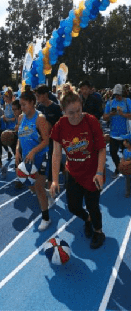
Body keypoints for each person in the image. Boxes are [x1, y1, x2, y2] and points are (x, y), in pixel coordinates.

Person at [50, 88, 107, 249]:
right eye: (71, 113)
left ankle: (98, 231)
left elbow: (102, 149)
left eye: (78, 111)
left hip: (92, 172)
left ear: (82, 106)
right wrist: (55, 180)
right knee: (73, 207)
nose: (75, 116)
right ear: (63, 111)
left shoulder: (91, 121)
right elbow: (56, 155)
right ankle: (87, 219)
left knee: (92, 206)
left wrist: (100, 172)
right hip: (73, 172)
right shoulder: (60, 126)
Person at [16, 88, 51, 231]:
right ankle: (46, 193)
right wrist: (18, 150)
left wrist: (33, 151)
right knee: (31, 186)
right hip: (27, 159)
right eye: (21, 105)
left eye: (24, 104)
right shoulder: (21, 118)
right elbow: (20, 136)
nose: (22, 107)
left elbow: (46, 140)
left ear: (32, 103)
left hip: (41, 156)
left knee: (38, 187)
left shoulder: (40, 118)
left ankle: (46, 218)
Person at [103, 84, 131, 178]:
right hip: (114, 134)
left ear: (122, 94)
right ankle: (118, 168)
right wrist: (110, 114)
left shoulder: (127, 101)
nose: (117, 96)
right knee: (113, 153)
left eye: (119, 94)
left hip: (126, 134)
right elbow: (104, 117)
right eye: (115, 95)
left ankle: (128, 169)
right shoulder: (110, 102)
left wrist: (123, 114)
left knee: (126, 154)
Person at [35, 84, 63, 189]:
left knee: (52, 158)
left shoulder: (55, 107)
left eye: (38, 96)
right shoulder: (39, 107)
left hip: (54, 138)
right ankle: (63, 168)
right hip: (43, 138)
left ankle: (51, 181)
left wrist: (51, 127)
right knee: (42, 158)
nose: (37, 98)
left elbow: (61, 123)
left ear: (45, 95)